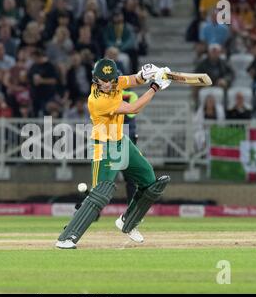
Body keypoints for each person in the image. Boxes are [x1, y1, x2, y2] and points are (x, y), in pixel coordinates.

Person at [56, 59, 171, 249]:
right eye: (104, 80)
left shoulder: (115, 82)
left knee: (149, 181)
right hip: (104, 147)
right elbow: (133, 109)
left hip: (120, 142)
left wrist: (147, 72)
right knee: (100, 194)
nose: (109, 83)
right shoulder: (97, 100)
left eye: (111, 79)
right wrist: (155, 86)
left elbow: (134, 80)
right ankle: (67, 237)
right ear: (96, 80)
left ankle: (128, 221)